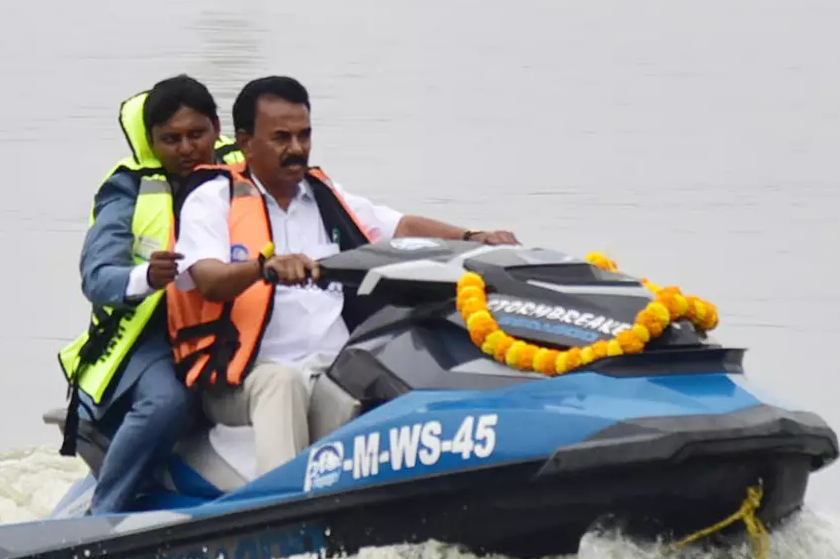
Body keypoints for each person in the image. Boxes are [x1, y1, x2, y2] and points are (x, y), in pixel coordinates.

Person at [166, 75, 517, 471]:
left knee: (407, 355)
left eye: (304, 135)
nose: (296, 149)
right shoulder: (213, 198)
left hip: (332, 364)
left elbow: (397, 226)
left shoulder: (323, 194)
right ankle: (282, 508)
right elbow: (209, 280)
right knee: (282, 383)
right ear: (246, 141)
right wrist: (263, 269)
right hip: (242, 377)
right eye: (281, 137)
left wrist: (473, 237)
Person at [59, 76, 226, 514]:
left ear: (217, 128)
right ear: (152, 142)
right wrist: (147, 277)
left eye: (196, 134)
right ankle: (104, 515)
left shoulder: (245, 176)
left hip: (231, 324)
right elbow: (97, 276)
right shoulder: (127, 190)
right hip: (152, 338)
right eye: (171, 139)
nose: (187, 148)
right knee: (166, 402)